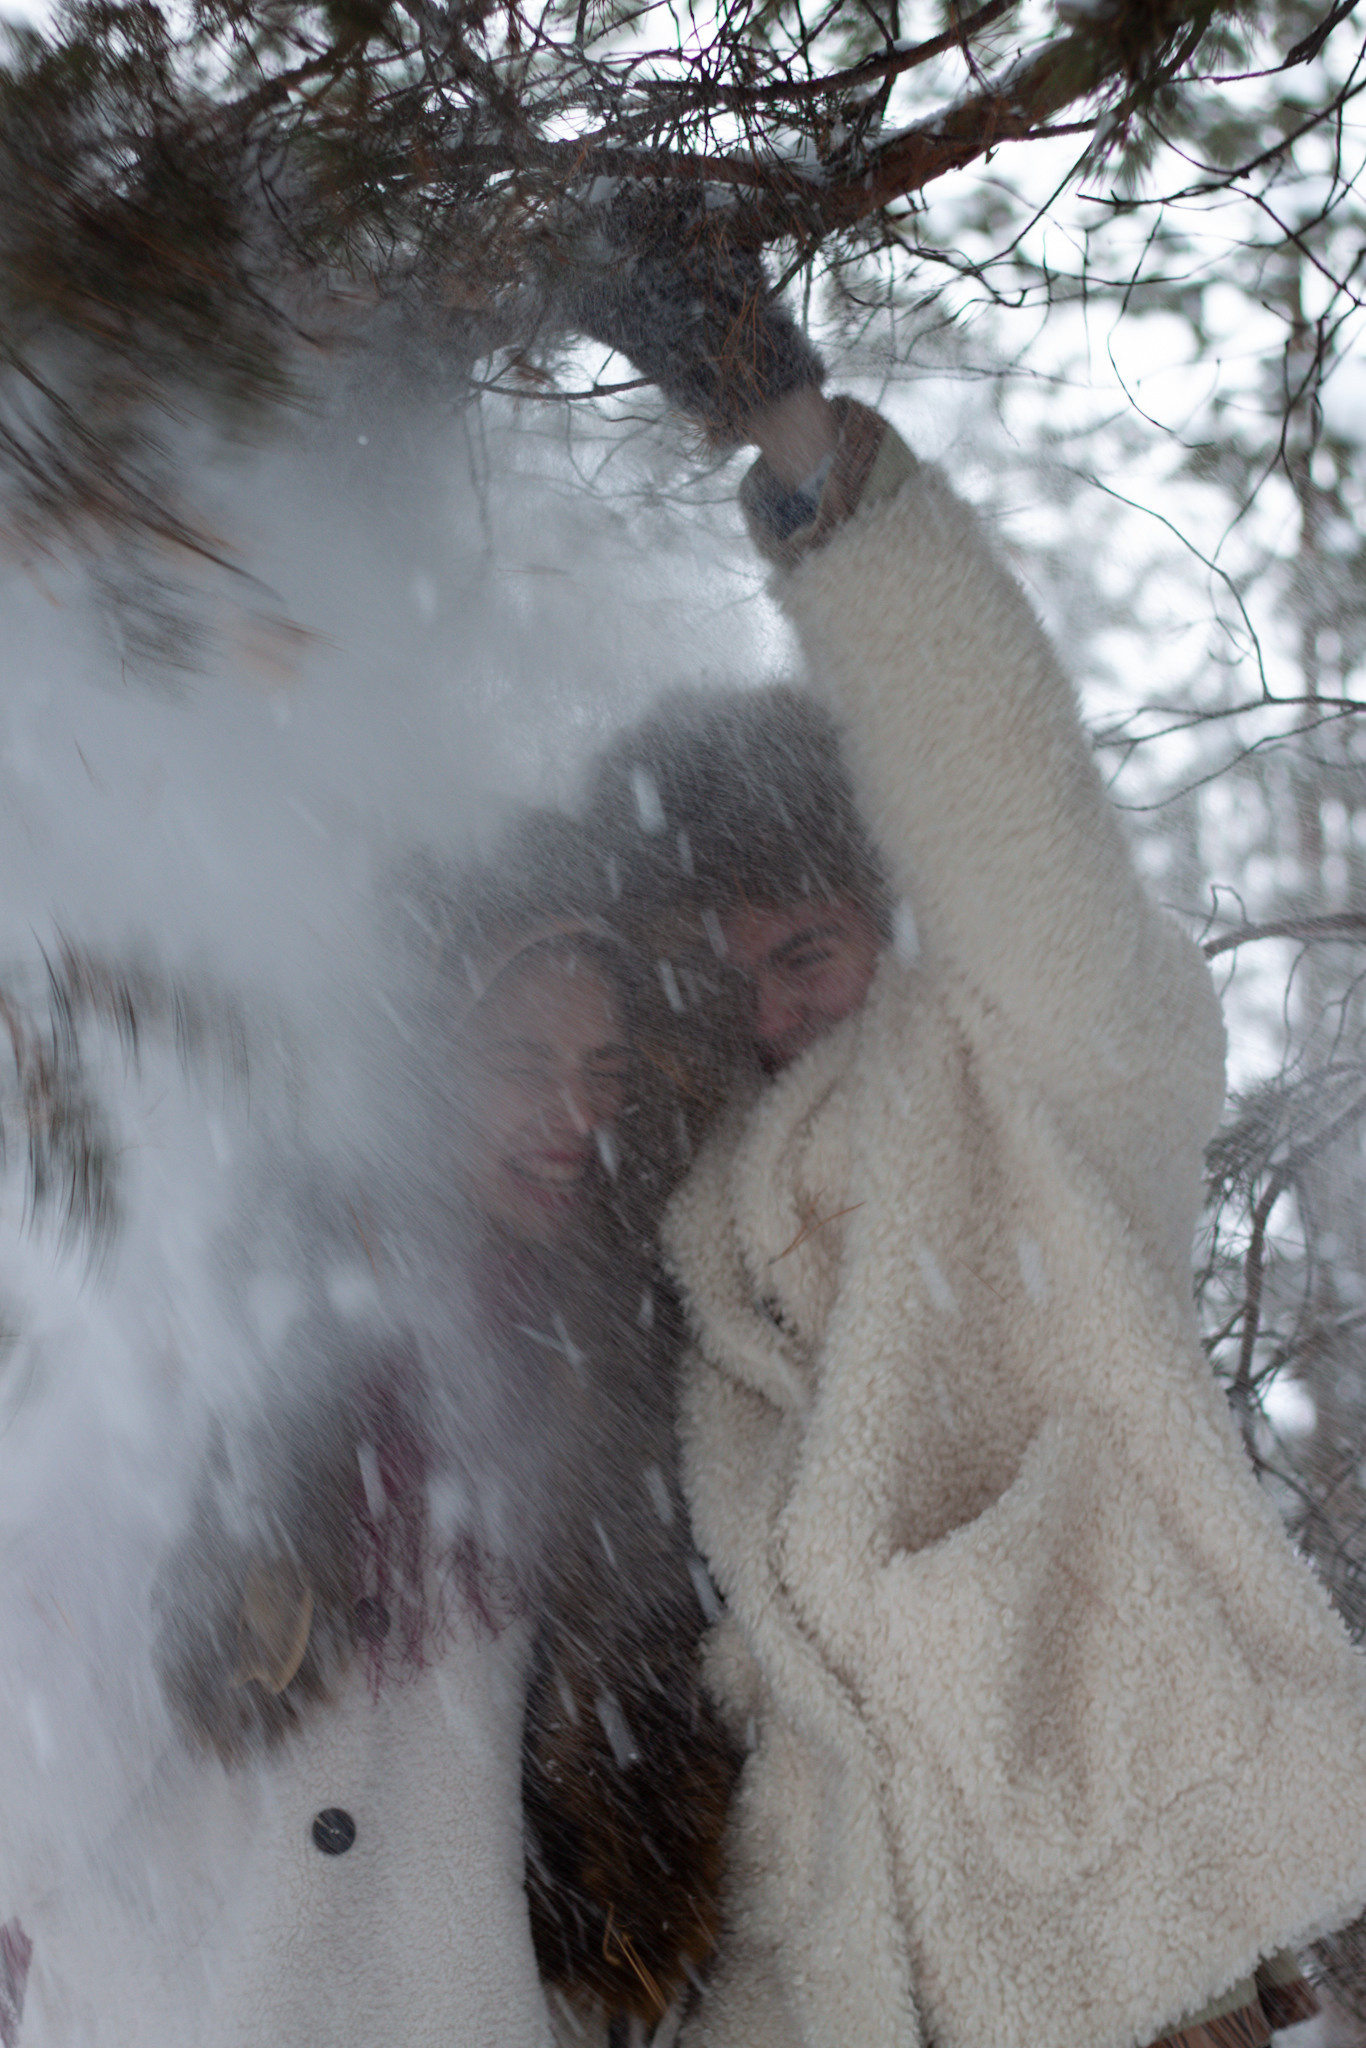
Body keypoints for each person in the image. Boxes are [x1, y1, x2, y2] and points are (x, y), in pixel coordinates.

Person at [575, 238, 1366, 2048]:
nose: (779, 1013)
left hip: (1141, 1960)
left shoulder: (1037, 1061)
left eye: (806, 948)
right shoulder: (696, 1229)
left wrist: (803, 466)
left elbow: (998, 781)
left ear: (888, 909)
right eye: (732, 979)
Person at [8, 818, 733, 2048]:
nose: (572, 1112)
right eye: (521, 1059)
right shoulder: (251, 1298)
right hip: (179, 1988)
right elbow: (56, 1670)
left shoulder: (627, 1366)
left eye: (604, 1069)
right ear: (424, 1057)